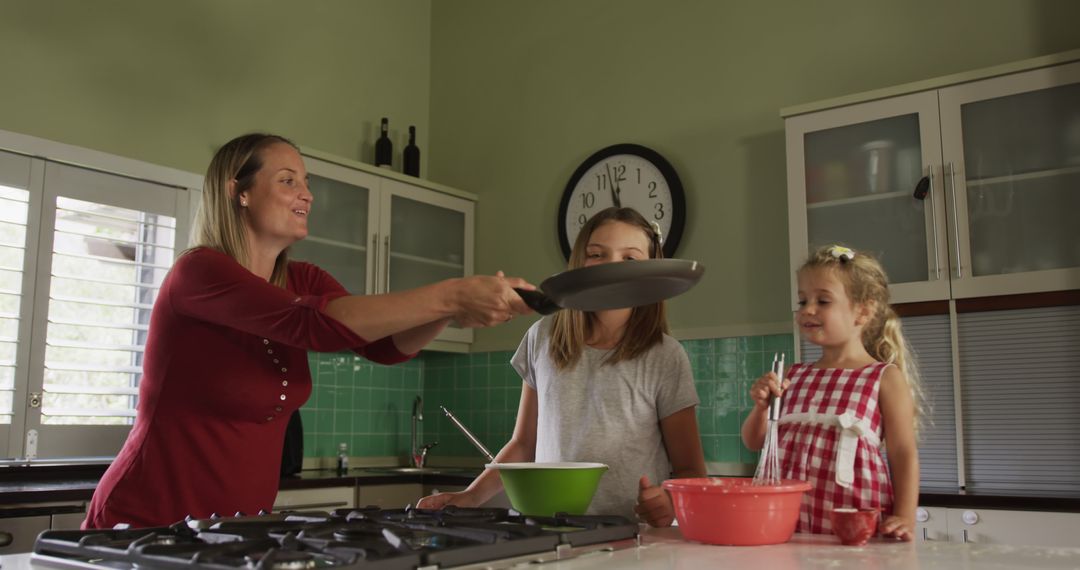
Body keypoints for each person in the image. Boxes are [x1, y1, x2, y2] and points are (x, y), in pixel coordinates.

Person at [84, 133, 534, 529]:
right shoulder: (198, 272)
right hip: (146, 523)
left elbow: (380, 347)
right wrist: (454, 296)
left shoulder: (305, 280)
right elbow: (316, 324)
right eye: (288, 180)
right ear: (237, 192)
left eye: (307, 182)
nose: (308, 194)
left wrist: (449, 316)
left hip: (233, 533)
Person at [417, 207, 706, 525]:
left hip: (632, 532)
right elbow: (523, 444)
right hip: (548, 527)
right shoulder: (541, 338)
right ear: (579, 264)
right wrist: (469, 497)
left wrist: (668, 500)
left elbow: (691, 470)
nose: (611, 267)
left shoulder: (665, 356)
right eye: (597, 254)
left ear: (651, 274)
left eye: (630, 259)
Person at [741, 245, 922, 539]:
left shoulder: (883, 378)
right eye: (802, 301)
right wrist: (761, 408)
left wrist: (904, 516)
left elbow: (903, 454)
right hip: (789, 525)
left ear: (863, 311)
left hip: (855, 526)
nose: (808, 310)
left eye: (823, 301)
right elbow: (754, 441)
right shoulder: (793, 375)